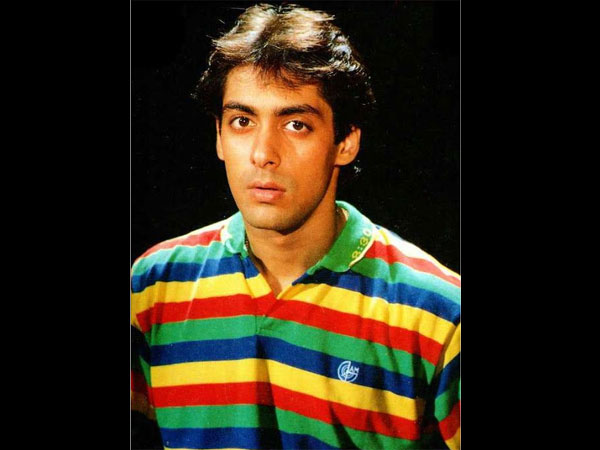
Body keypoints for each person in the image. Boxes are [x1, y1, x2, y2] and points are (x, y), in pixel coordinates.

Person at [131, 3, 460, 449]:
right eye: (242, 121)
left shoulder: (438, 313)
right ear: (219, 137)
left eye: (296, 124)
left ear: (345, 142)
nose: (263, 153)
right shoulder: (154, 287)